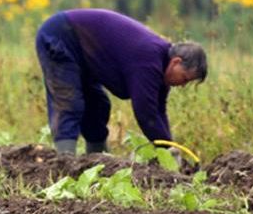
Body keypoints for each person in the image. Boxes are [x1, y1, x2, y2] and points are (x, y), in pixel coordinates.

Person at [35, 8, 206, 154]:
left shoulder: (161, 67)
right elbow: (146, 112)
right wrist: (166, 150)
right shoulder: (149, 59)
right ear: (176, 62)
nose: (183, 85)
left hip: (84, 55)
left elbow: (158, 110)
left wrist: (170, 147)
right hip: (61, 36)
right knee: (69, 102)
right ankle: (64, 163)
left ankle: (96, 161)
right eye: (184, 78)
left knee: (98, 105)